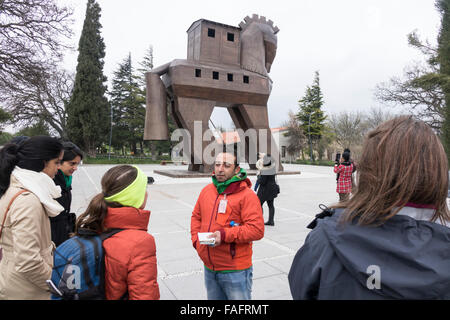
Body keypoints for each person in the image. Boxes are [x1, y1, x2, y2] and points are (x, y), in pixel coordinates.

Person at [288, 116, 450, 299]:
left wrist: (337, 164)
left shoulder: (326, 238)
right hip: (348, 188)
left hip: (342, 189)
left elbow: (301, 287)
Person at [75, 165, 160, 300]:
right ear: (134, 196)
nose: (146, 193)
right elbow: (144, 295)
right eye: (144, 189)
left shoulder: (96, 222)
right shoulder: (140, 242)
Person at [190, 149, 264, 300]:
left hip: (235, 270)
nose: (220, 169)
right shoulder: (207, 191)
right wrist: (196, 242)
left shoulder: (247, 195)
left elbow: (257, 230)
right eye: (217, 164)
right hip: (209, 268)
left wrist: (224, 235)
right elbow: (196, 217)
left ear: (236, 169)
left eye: (226, 165)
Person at [0, 136, 64, 300]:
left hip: (17, 282)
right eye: (57, 162)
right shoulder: (28, 200)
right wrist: (56, 283)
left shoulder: (15, 186)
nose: (59, 168)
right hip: (26, 290)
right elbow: (28, 261)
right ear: (43, 163)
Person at [51, 141, 83, 247]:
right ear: (59, 161)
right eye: (72, 163)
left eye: (77, 164)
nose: (75, 168)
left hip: (63, 233)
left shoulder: (67, 179)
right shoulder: (52, 181)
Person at [256, 154, 280, 226]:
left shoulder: (265, 169)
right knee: (271, 205)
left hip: (264, 190)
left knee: (258, 205)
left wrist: (258, 176)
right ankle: (271, 221)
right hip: (272, 190)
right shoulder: (272, 168)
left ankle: (259, 220)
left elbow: (262, 182)